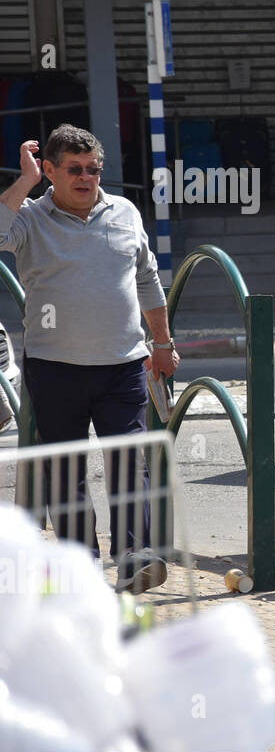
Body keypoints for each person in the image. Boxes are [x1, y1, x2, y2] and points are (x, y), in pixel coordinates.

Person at [0, 125, 179, 591]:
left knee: (127, 459)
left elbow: (147, 280)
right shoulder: (31, 218)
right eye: (74, 170)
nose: (86, 178)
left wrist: (162, 343)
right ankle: (80, 567)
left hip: (122, 364)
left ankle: (135, 557)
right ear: (51, 172)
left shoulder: (124, 212)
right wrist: (24, 183)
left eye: (93, 170)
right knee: (66, 473)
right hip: (55, 367)